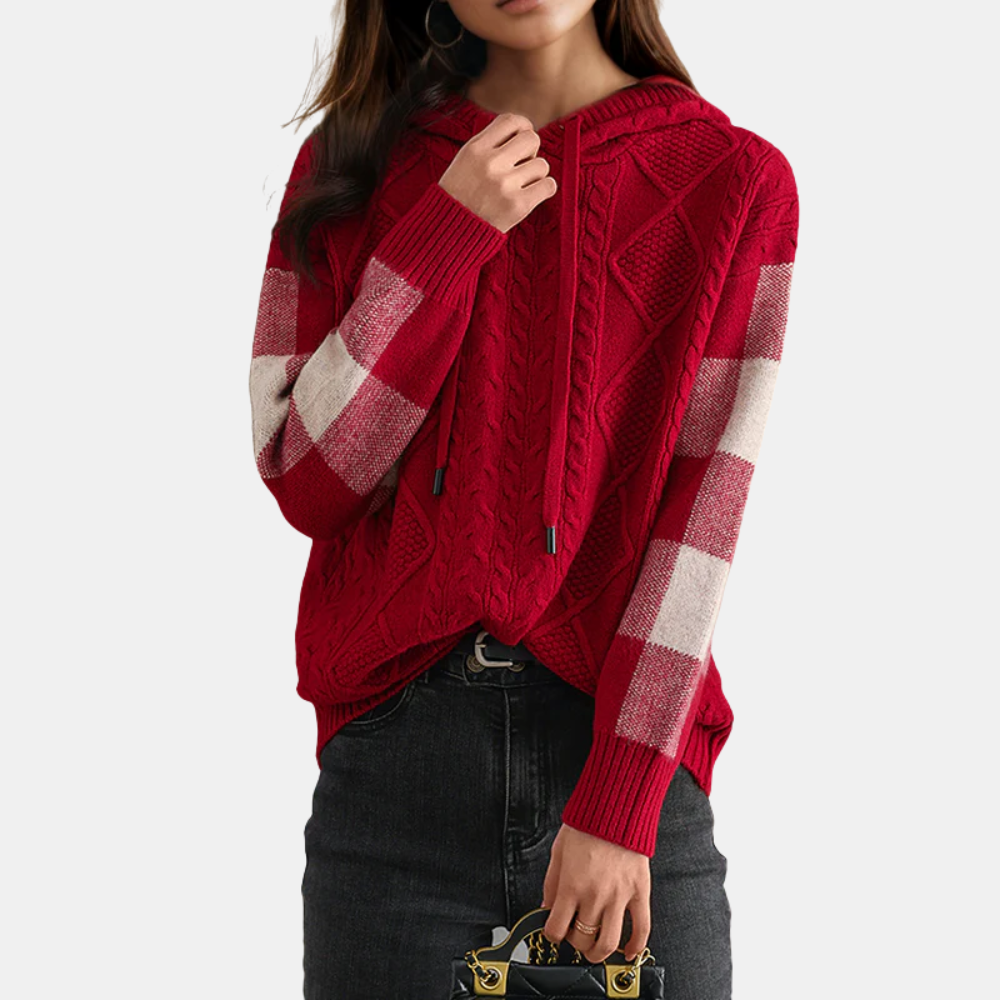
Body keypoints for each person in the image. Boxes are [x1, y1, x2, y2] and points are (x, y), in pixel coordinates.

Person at [248, 2, 799, 997]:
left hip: (627, 782)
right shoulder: (351, 163)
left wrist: (619, 802)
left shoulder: (734, 178)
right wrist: (445, 235)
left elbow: (702, 516)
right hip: (394, 788)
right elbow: (309, 477)